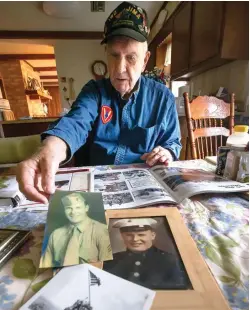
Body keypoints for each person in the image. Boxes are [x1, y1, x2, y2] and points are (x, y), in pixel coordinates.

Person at [16, 1, 181, 204]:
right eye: (114, 56)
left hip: (145, 190)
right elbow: (75, 123)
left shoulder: (162, 96)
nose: (120, 69)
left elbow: (173, 142)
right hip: (95, 192)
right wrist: (51, 148)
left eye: (131, 58)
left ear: (145, 60)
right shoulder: (94, 91)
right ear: (106, 55)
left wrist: (168, 152)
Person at [103, 218, 191, 290]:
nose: (135, 239)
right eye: (129, 235)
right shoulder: (111, 260)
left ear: (152, 235)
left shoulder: (169, 260)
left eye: (141, 235)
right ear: (122, 236)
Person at [40, 192, 112, 267]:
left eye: (78, 207)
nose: (73, 212)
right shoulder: (56, 234)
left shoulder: (101, 231)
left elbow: (105, 267)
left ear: (86, 208)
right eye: (69, 208)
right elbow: (45, 264)